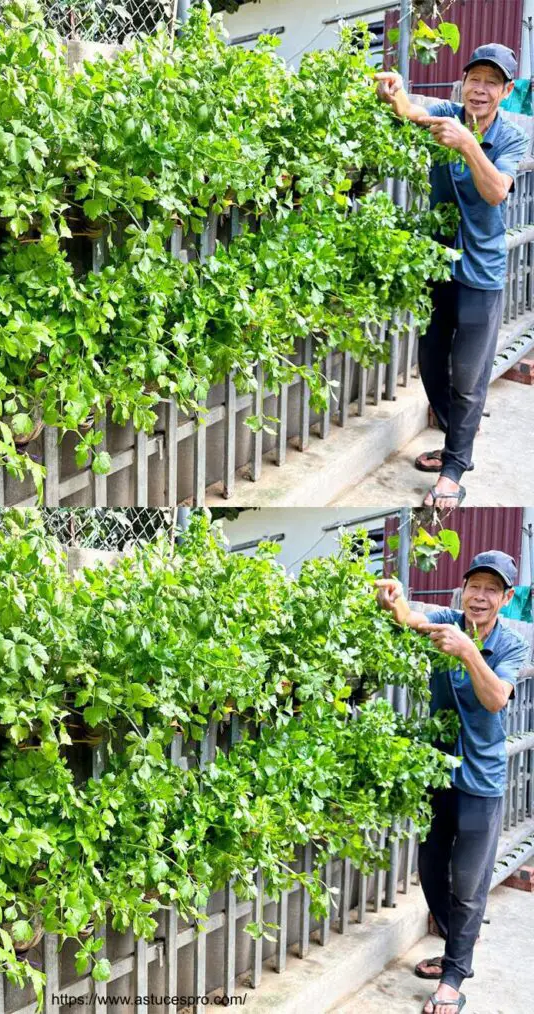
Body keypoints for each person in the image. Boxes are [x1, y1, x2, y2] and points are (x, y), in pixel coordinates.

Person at [375, 46, 529, 510]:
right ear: (463, 82)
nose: (479, 89)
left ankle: (453, 470)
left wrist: (466, 143)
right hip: (440, 262)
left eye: (491, 83)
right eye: (474, 79)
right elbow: (409, 111)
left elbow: (496, 190)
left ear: (506, 91)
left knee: (468, 375)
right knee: (430, 357)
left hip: (481, 272)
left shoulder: (511, 137)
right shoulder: (445, 111)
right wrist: (394, 92)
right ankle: (458, 435)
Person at [375, 551, 529, 1014]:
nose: (479, 597)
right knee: (430, 865)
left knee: (468, 881)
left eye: (491, 590)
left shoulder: (510, 644)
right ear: (463, 588)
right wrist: (393, 600)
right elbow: (409, 618)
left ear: (506, 598)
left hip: (481, 778)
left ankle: (454, 975)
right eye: (474, 586)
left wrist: (466, 650)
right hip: (438, 769)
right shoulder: (447, 618)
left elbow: (496, 698)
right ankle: (457, 948)